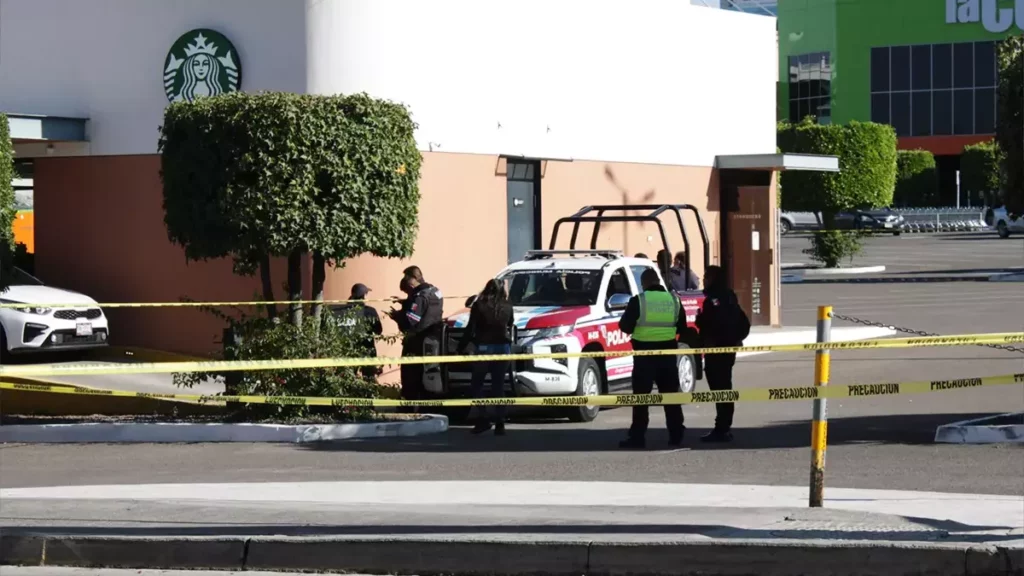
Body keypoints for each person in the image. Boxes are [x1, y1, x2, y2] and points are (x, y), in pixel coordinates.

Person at [617, 268, 693, 449]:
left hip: (644, 356)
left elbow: (625, 326)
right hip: (667, 355)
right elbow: (682, 327)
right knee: (670, 397)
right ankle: (676, 434)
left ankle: (638, 437)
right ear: (657, 281)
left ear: (644, 283)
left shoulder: (639, 301)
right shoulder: (674, 300)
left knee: (641, 399)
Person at [695, 265, 750, 443]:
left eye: (706, 276)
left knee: (720, 388)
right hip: (727, 347)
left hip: (718, 348)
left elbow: (716, 323)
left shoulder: (714, 299)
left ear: (714, 278)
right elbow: (741, 320)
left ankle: (722, 428)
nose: (704, 279)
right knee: (724, 387)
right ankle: (724, 427)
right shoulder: (729, 296)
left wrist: (700, 321)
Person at [457, 279, 515, 436]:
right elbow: (510, 324)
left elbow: (471, 328)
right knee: (498, 385)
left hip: (484, 348)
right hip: (503, 348)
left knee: (477, 384)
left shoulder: (479, 305)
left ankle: (483, 418)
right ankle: (500, 422)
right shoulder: (508, 306)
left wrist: (461, 347)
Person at [388, 266, 444, 402]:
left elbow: (411, 320)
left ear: (413, 279)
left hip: (416, 342)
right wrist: (406, 301)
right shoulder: (436, 292)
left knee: (410, 376)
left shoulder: (420, 298)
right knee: (429, 375)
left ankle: (409, 405)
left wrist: (396, 316)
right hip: (434, 341)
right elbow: (428, 307)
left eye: (407, 280)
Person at [330, 283, 384, 381]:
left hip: (347, 349)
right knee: (369, 379)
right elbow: (378, 330)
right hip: (367, 349)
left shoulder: (342, 310)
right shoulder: (370, 311)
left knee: (347, 379)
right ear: (364, 296)